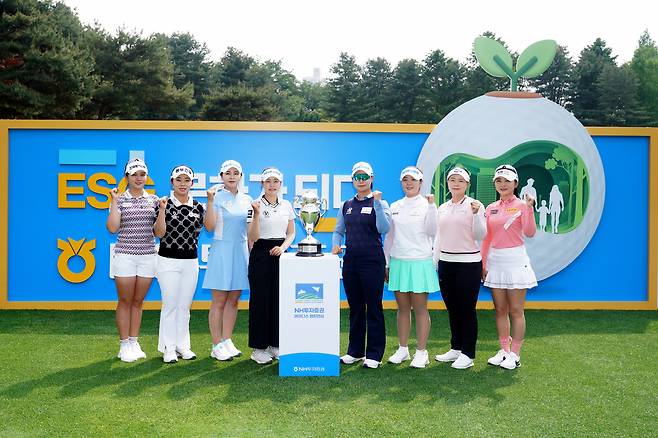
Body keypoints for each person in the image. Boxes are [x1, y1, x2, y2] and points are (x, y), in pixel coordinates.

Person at [332, 161, 391, 369]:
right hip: (351, 260)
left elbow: (384, 228)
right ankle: (355, 351)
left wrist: (376, 203)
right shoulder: (346, 205)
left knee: (373, 307)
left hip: (372, 259)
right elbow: (338, 230)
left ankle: (374, 354)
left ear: (372, 179)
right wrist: (336, 245)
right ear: (352, 180)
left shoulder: (380, 203)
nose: (361, 180)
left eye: (364, 176)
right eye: (357, 177)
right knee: (355, 307)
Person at [481, 164, 537, 370]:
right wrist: (483, 263)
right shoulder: (491, 208)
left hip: (515, 259)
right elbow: (486, 239)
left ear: (515, 183)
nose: (502, 184)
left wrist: (530, 209)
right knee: (500, 309)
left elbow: (530, 232)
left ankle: (515, 354)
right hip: (496, 261)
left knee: (515, 309)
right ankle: (504, 350)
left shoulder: (523, 205)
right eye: (499, 180)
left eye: (506, 180)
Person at [383, 166, 438, 368]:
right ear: (401, 182)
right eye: (405, 179)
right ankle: (403, 349)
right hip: (398, 261)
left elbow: (433, 230)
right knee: (403, 309)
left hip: (419, 262)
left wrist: (432, 207)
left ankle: (422, 352)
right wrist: (387, 262)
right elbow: (390, 237)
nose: (409, 183)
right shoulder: (395, 205)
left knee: (421, 309)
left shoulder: (427, 205)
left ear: (421, 182)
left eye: (413, 180)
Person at [433, 167, 486, 370]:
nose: (456, 184)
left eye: (460, 181)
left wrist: (476, 215)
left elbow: (481, 235)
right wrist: (435, 261)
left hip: (468, 264)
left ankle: (468, 353)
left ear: (467, 184)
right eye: (452, 180)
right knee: (452, 308)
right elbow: (439, 237)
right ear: (448, 183)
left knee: (466, 309)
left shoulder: (475, 205)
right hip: (446, 264)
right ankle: (455, 347)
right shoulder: (443, 207)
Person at [107, 158, 159, 363]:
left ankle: (134, 341)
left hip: (147, 255)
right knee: (125, 301)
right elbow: (112, 228)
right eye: (134, 174)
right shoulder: (119, 199)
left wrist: (162, 210)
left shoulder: (154, 200)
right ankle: (124, 344)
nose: (138, 178)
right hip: (125, 255)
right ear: (126, 177)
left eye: (142, 174)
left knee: (138, 302)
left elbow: (159, 232)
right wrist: (113, 201)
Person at [154, 165, 205, 363]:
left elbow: (198, 232)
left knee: (184, 306)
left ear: (192, 183)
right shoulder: (163, 203)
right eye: (179, 180)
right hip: (167, 260)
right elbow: (158, 233)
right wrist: (162, 210)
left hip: (190, 261)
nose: (183, 184)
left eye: (186, 180)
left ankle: (183, 346)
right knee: (170, 305)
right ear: (172, 182)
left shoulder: (198, 207)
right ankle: (168, 348)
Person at [202, 160, 253, 361]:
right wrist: (209, 202)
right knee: (219, 300)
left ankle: (227, 340)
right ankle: (216, 344)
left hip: (240, 251)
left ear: (241, 176)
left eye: (236, 173)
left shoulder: (247, 199)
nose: (232, 176)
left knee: (233, 299)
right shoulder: (215, 197)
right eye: (227, 173)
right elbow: (209, 227)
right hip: (221, 250)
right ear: (221, 176)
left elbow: (250, 231)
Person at [247, 167, 295, 364]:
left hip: (280, 255)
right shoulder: (255, 205)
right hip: (260, 253)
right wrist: (257, 214)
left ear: (281, 184)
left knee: (277, 301)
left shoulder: (286, 205)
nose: (272, 185)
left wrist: (283, 248)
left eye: (276, 181)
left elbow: (291, 233)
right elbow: (253, 237)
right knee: (260, 302)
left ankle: (275, 344)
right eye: (268, 182)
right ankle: (258, 348)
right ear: (262, 184)